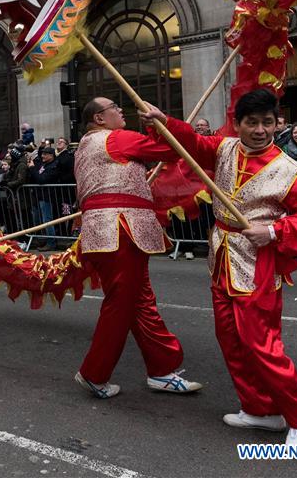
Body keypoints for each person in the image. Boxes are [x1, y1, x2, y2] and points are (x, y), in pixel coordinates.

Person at [143, 89, 297, 445]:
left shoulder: (287, 170)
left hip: (258, 263)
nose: (260, 129)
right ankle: (260, 410)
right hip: (222, 257)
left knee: (260, 343)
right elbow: (192, 143)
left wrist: (274, 230)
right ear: (238, 124)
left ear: (278, 123)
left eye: (267, 122)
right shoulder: (224, 148)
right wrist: (163, 122)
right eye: (252, 122)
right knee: (229, 338)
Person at [72, 97, 202, 400]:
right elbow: (172, 150)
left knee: (139, 301)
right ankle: (94, 373)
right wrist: (159, 123)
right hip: (119, 230)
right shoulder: (117, 139)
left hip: (110, 232)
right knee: (121, 304)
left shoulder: (86, 146)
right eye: (114, 107)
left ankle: (162, 369)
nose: (120, 110)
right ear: (99, 118)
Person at [28, 146, 61, 251]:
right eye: (42, 154)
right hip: (39, 196)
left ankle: (51, 243)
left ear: (51, 155)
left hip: (47, 197)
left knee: (47, 220)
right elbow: (35, 177)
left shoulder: (54, 166)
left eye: (45, 154)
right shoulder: (43, 165)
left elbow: (41, 179)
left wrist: (33, 168)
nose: (42, 156)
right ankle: (45, 240)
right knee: (40, 220)